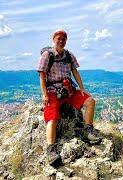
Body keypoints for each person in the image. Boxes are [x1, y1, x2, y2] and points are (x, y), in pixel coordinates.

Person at [37, 29, 101, 165]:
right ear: (53, 40)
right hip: (53, 91)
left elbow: (75, 71)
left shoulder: (69, 55)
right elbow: (41, 75)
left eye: (63, 39)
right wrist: (44, 94)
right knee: (52, 118)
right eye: (58, 38)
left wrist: (82, 88)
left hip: (68, 90)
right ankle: (51, 150)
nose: (61, 41)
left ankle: (87, 130)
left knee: (90, 101)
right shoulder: (47, 56)